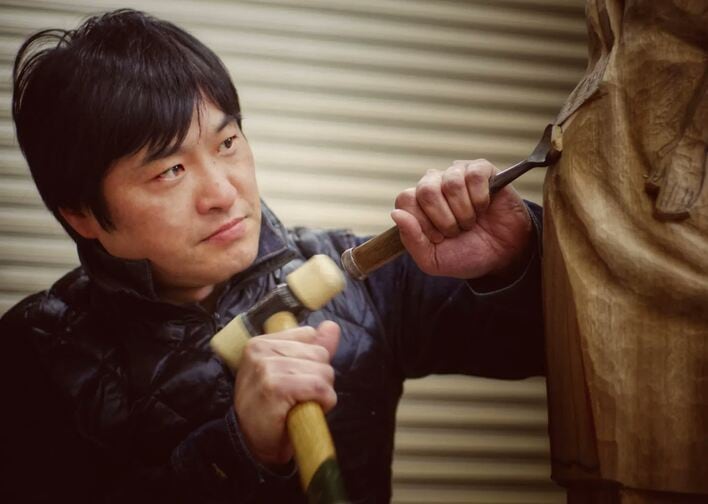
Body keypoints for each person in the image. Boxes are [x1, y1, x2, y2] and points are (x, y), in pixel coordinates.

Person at [0, 9, 544, 503]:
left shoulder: (360, 273)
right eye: (170, 170)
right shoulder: (34, 352)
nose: (223, 193)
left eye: (227, 143)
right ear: (82, 214)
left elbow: (555, 350)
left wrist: (517, 258)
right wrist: (237, 450)